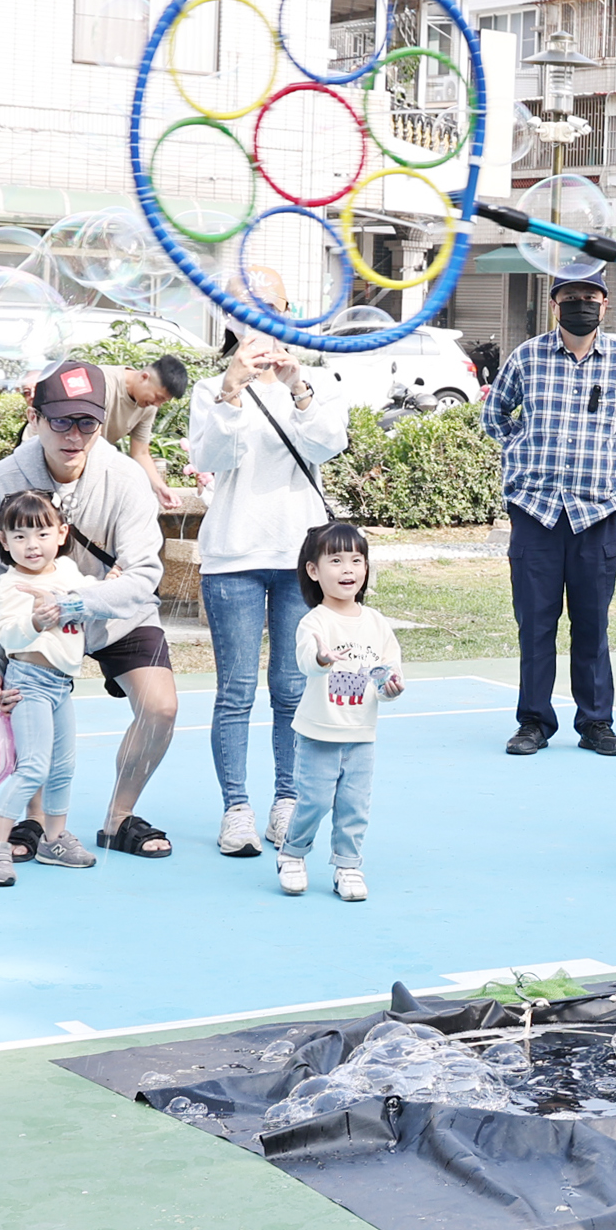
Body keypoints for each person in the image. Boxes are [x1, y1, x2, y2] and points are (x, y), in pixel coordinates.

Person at [0, 361, 178, 857]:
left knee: (161, 708)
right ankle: (37, 824)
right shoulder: (5, 480)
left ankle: (119, 819)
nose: (74, 434)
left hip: (110, 612)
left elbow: (144, 574)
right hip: (35, 620)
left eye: (87, 421)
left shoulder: (125, 478)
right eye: (61, 420)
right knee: (36, 712)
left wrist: (76, 602)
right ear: (35, 417)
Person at [488, 257, 616, 757]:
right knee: (535, 625)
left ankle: (596, 723)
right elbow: (494, 414)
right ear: (554, 306)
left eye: (589, 298)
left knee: (592, 626)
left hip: (598, 515)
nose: (580, 306)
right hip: (536, 513)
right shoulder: (527, 357)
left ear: (604, 305)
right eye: (570, 298)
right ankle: (533, 723)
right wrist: (523, 451)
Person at [184, 335, 345, 859]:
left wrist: (300, 390)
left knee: (292, 687)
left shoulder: (318, 381)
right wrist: (231, 391)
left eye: (272, 308)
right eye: (249, 308)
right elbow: (212, 457)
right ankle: (236, 808)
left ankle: (286, 800)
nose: (261, 322)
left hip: (300, 555)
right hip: (232, 556)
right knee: (235, 691)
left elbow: (327, 445)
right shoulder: (211, 387)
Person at [0, 488, 99, 884]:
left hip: (61, 685)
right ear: (3, 540)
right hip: (29, 683)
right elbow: (6, 632)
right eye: (20, 536)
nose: (32, 545)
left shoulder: (68, 573)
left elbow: (92, 594)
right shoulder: (9, 585)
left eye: (42, 534)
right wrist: (34, 621)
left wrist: (108, 584)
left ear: (62, 534)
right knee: (32, 767)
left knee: (63, 767)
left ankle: (54, 838)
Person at [279, 520, 405, 900]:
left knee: (355, 806)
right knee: (314, 801)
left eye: (356, 560)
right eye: (335, 560)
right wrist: (321, 657)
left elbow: (387, 673)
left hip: (361, 736)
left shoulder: (376, 623)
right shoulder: (314, 621)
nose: (348, 569)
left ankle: (347, 866)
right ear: (313, 570)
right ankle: (292, 854)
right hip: (318, 733)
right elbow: (307, 660)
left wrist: (390, 688)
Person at [21, 355, 194, 506]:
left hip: (78, 453)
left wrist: (160, 488)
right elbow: (89, 438)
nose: (157, 404)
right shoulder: (101, 383)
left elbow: (140, 453)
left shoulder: (148, 406)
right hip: (42, 446)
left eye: (163, 402)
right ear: (144, 377)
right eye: (158, 397)